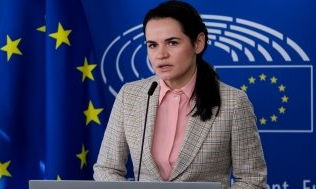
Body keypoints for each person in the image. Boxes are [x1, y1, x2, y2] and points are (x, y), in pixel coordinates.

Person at [93, 1, 267, 188]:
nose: (161, 55)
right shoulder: (129, 95)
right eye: (152, 45)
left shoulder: (234, 102)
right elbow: (107, 169)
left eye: (172, 42)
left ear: (198, 43)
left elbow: (252, 180)